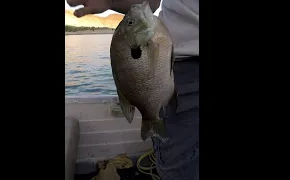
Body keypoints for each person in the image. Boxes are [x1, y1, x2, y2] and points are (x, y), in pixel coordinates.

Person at [67, 0, 199, 179]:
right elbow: (149, 3)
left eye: (131, 23)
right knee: (181, 169)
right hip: (188, 69)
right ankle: (153, 119)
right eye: (131, 23)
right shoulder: (146, 35)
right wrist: (111, 1)